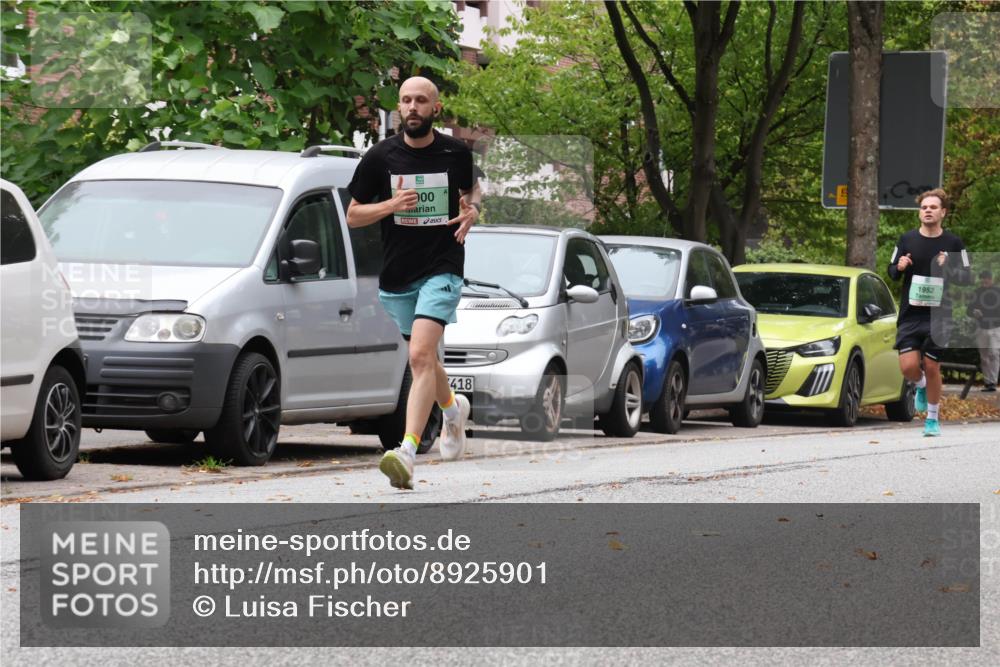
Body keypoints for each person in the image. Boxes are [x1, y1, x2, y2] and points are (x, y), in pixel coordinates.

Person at [346, 76, 481, 489]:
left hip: (442, 266)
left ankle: (406, 450)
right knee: (427, 361)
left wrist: (473, 211)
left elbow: (472, 194)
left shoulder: (455, 152)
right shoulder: (380, 158)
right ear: (399, 108)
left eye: (421, 100)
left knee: (420, 356)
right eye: (406, 100)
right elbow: (353, 215)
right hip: (397, 276)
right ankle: (453, 408)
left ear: (435, 108)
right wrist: (390, 205)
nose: (413, 107)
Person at [887, 188, 971, 437]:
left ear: (943, 212)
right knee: (908, 367)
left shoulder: (954, 243)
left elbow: (967, 277)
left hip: (940, 315)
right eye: (924, 207)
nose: (928, 211)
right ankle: (921, 385)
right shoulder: (906, 239)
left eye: (933, 207)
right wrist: (899, 266)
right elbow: (891, 272)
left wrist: (952, 265)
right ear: (919, 213)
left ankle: (932, 419)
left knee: (933, 366)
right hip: (911, 314)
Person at [967, 269, 1000, 392]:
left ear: (991, 279)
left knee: (994, 354)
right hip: (981, 329)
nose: (984, 280)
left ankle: (993, 382)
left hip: (996, 328)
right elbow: (968, 310)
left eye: (986, 278)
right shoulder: (977, 292)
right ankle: (987, 382)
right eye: (982, 278)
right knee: (984, 357)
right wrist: (974, 313)